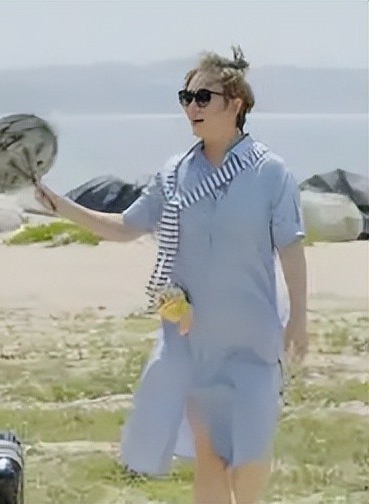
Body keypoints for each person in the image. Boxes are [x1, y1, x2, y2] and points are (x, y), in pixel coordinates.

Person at [34, 46, 307, 504]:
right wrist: (61, 205)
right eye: (186, 97)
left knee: (251, 460)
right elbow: (125, 227)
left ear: (235, 103)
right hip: (191, 342)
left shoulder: (271, 173)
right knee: (210, 459)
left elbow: (291, 248)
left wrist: (299, 318)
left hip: (253, 342)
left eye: (202, 97)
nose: (191, 107)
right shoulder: (175, 174)